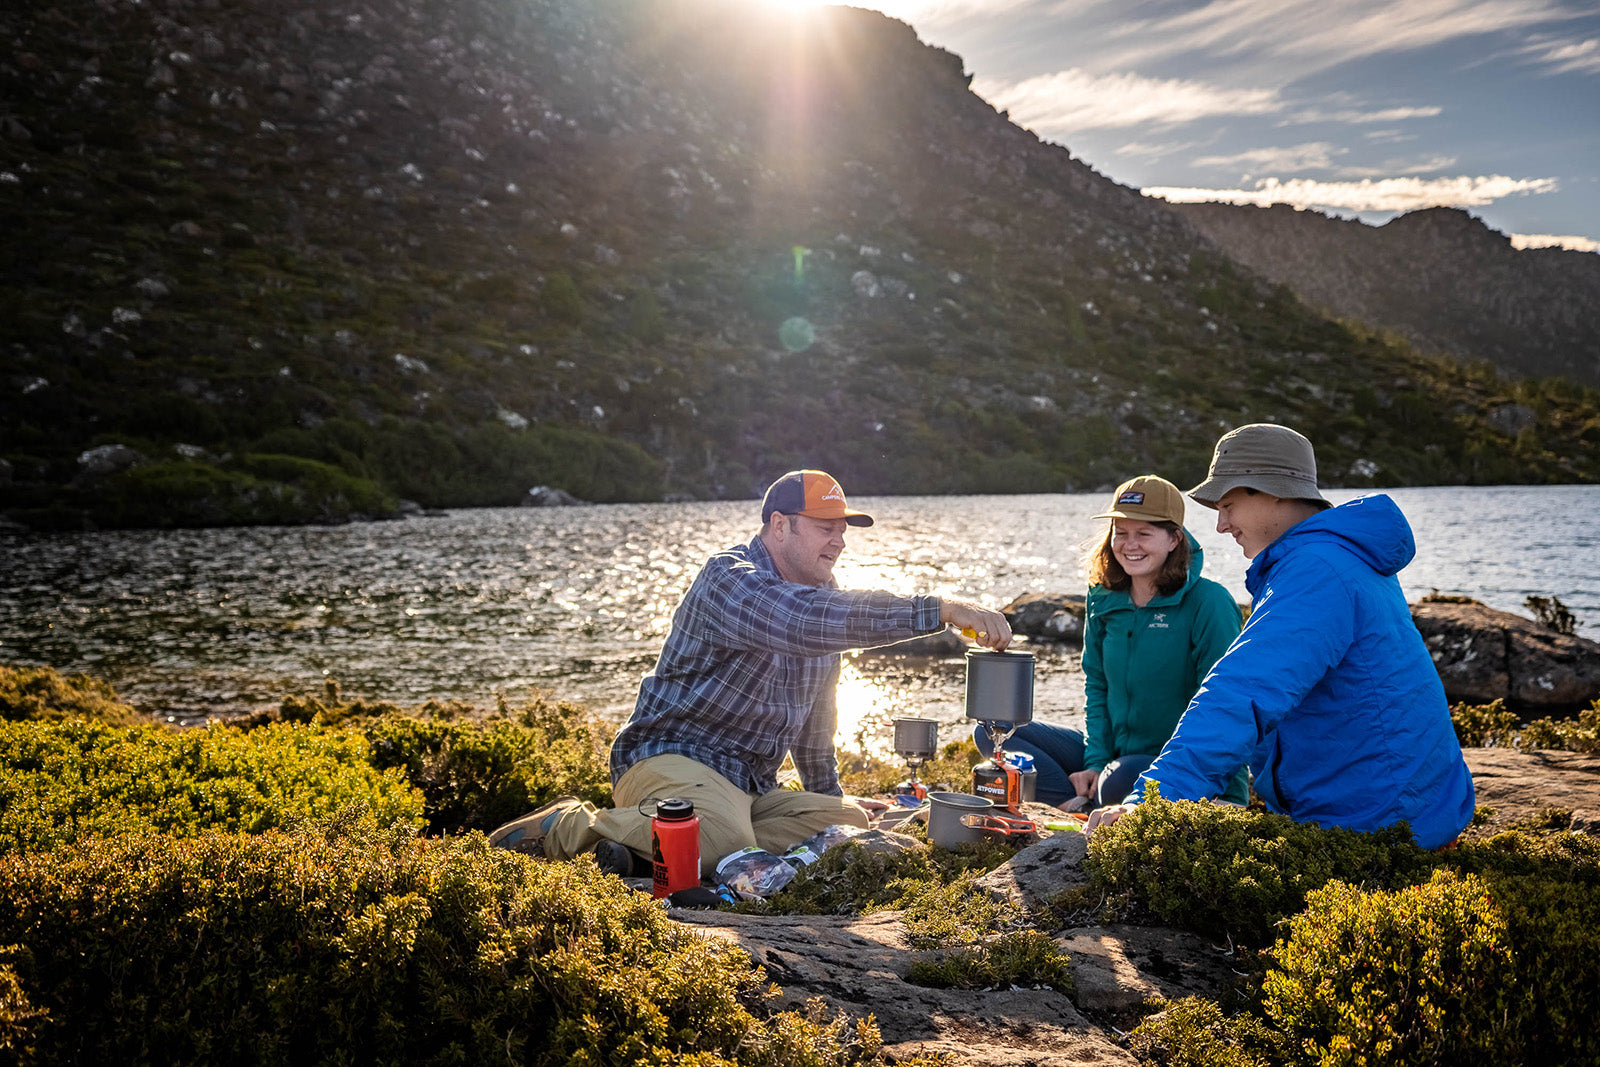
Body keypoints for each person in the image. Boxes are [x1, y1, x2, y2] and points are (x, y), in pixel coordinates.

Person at [490, 469, 1012, 877]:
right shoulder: (730, 578)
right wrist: (939, 609)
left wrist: (828, 799)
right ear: (779, 526)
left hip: (749, 788)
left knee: (847, 824)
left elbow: (815, 728)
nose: (839, 542)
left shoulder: (822, 596)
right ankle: (572, 827)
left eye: (842, 531)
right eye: (825, 528)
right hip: (669, 761)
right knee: (724, 840)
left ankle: (642, 854)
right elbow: (798, 620)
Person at [1085, 425, 1475, 850]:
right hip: (1387, 812)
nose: (1220, 525)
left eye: (1228, 505)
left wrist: (1151, 803)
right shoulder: (1334, 557)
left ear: (1274, 492)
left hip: (1377, 826)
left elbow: (1240, 692)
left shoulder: (1318, 571)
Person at [972, 475, 1248, 809]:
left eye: (1143, 534)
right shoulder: (1103, 597)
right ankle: (1082, 805)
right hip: (1116, 759)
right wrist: (1094, 762)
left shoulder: (1209, 602)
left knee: (1120, 778)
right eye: (1121, 533)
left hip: (1187, 771)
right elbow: (1097, 684)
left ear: (1174, 539)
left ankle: (1089, 803)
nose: (1130, 545)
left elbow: (1225, 705)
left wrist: (1219, 787)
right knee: (994, 732)